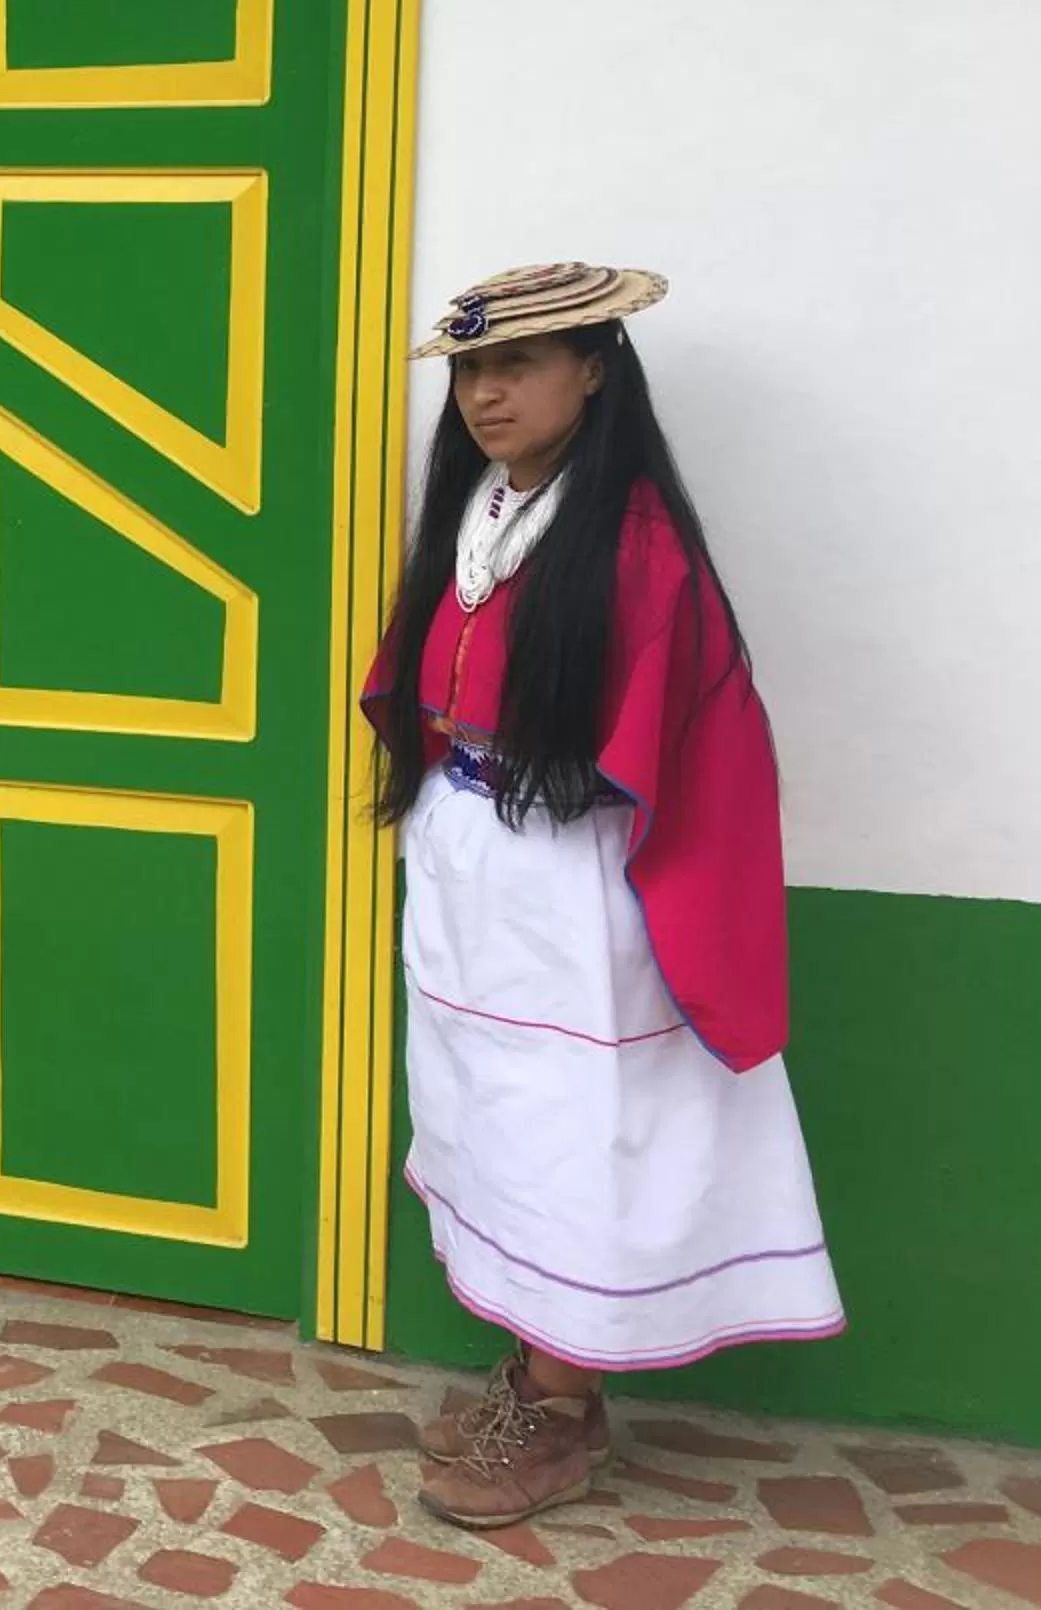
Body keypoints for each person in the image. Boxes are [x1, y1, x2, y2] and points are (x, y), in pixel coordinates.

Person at [362, 262, 843, 1529]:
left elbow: (674, 742)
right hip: (471, 857)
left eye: (519, 363)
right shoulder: (485, 515)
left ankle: (564, 1410)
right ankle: (535, 1365)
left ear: (594, 371)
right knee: (488, 1105)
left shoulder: (630, 544)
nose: (486, 392)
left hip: (574, 884)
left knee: (568, 1117)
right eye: (470, 368)